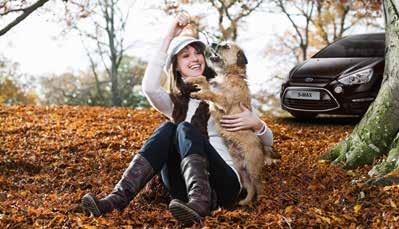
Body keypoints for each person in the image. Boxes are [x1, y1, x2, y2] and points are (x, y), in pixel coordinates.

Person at [81, 13, 273, 226]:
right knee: (169, 128)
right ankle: (117, 199)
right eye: (186, 55)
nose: (194, 58)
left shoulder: (224, 94)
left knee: (184, 128)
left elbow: (265, 144)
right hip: (182, 188)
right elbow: (149, 88)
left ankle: (201, 202)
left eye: (197, 53)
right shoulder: (175, 102)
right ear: (176, 66)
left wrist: (257, 124)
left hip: (223, 185)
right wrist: (170, 35)